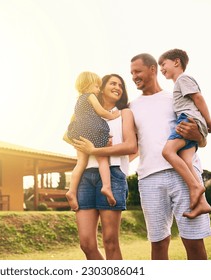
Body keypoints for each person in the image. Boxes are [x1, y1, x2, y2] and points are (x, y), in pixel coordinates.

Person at [129, 53, 211, 259]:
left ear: (152, 70)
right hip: (149, 179)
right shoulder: (131, 107)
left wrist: (201, 138)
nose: (134, 76)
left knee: (193, 241)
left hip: (183, 175)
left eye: (137, 71)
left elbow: (198, 133)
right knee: (158, 243)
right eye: (131, 73)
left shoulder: (175, 97)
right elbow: (133, 147)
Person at [71, 74, 137, 260]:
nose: (117, 87)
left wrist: (96, 149)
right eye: (113, 83)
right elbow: (70, 137)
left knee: (110, 241)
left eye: (121, 85)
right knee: (86, 244)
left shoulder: (124, 113)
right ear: (101, 87)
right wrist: (83, 146)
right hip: (84, 176)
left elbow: (132, 146)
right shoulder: (85, 111)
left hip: (113, 174)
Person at [158, 49, 211, 218]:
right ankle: (203, 203)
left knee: (167, 151)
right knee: (187, 160)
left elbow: (198, 98)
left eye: (163, 64)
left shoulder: (183, 79)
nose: (161, 69)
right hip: (192, 121)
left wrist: (209, 122)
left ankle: (195, 186)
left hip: (188, 120)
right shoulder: (178, 83)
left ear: (176, 62)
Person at [65, 71, 121, 211]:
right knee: (102, 159)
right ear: (88, 85)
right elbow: (101, 112)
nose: (98, 89)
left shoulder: (78, 101)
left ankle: (71, 191)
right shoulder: (90, 96)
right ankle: (107, 187)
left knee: (80, 162)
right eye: (97, 86)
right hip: (93, 130)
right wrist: (113, 115)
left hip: (79, 131)